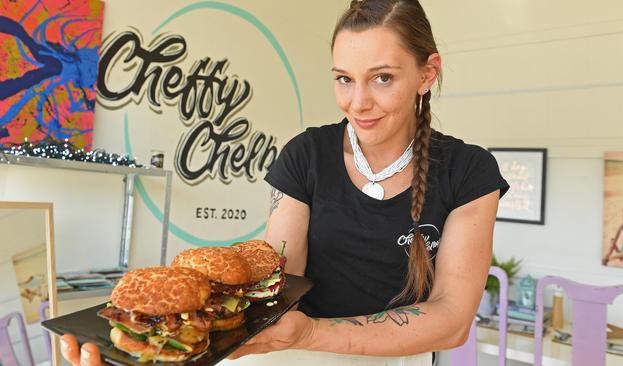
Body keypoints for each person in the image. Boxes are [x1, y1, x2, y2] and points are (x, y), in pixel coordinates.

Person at [61, 0, 509, 365]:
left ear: (426, 75)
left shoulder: (470, 172)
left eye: (383, 78)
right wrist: (163, 342)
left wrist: (316, 332)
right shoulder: (306, 155)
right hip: (294, 351)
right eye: (343, 80)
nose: (358, 102)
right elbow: (276, 284)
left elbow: (451, 319)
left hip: (396, 357)